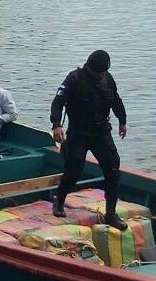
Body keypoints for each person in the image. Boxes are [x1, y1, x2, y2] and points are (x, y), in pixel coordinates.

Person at [50, 50, 128, 230]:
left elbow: (116, 100)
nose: (100, 76)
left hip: (101, 131)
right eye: (97, 73)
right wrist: (56, 125)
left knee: (113, 168)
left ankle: (111, 214)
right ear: (89, 67)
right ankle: (59, 201)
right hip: (79, 132)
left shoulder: (107, 78)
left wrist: (122, 121)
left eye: (103, 72)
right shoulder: (74, 79)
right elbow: (58, 101)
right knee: (74, 169)